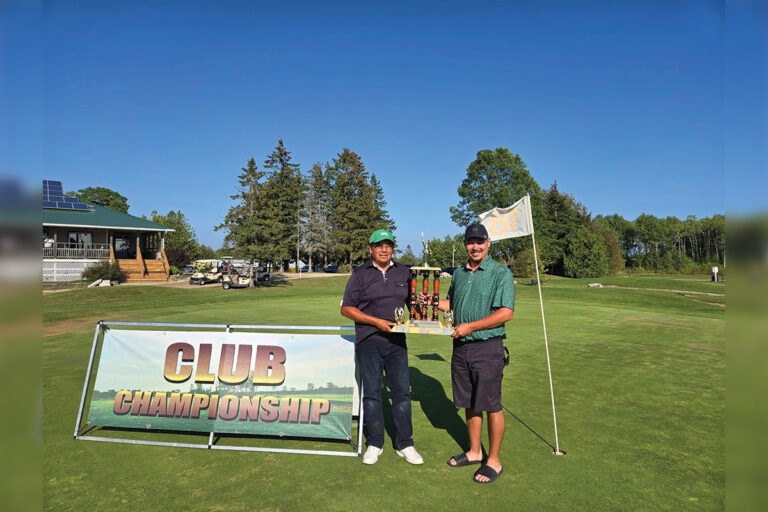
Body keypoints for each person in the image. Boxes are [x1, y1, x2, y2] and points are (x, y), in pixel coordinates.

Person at [433, 222, 515, 484]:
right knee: (469, 402)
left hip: (487, 346)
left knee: (491, 405)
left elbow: (505, 313)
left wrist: (471, 327)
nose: (475, 246)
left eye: (480, 241)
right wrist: (427, 301)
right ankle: (474, 450)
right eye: (471, 242)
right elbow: (451, 305)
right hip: (461, 347)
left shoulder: (500, 273)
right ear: (465, 244)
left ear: (488, 243)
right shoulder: (458, 273)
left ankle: (494, 460)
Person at [341, 228, 424, 466]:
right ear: (371, 249)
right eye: (379, 245)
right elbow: (347, 308)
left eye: (388, 245)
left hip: (397, 341)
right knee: (373, 394)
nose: (384, 249)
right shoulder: (360, 274)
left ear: (392, 248)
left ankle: (405, 443)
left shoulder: (404, 272)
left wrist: (429, 311)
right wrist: (375, 321)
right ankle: (375, 443)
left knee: (401, 393)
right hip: (370, 340)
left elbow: (414, 303)